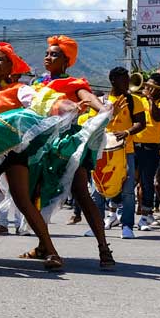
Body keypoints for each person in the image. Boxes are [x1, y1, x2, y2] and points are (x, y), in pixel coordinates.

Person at [0, 42, 74, 270]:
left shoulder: (20, 89)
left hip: (12, 152)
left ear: (11, 65)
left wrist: (65, 106)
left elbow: (42, 103)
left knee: (22, 200)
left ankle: (51, 252)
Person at [28, 35, 115, 267]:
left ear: (66, 61)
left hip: (64, 147)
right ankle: (42, 246)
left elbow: (89, 98)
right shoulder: (38, 85)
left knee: (81, 193)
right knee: (34, 195)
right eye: (47, 53)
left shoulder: (73, 84)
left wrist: (103, 109)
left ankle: (104, 248)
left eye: (54, 54)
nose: (48, 57)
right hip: (40, 145)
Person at [91, 67, 146, 238]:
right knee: (97, 189)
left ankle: (127, 226)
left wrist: (127, 132)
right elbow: (92, 124)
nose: (127, 83)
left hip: (125, 151)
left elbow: (141, 123)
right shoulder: (101, 101)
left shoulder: (133, 100)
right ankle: (96, 226)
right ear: (113, 80)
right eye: (123, 79)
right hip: (102, 152)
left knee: (128, 190)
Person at [134, 72, 160, 229]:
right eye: (147, 84)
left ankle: (147, 213)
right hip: (134, 144)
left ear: (159, 89)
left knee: (146, 182)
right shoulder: (139, 99)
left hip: (151, 147)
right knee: (129, 180)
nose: (147, 87)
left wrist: (150, 99)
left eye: (151, 85)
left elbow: (157, 117)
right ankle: (120, 212)